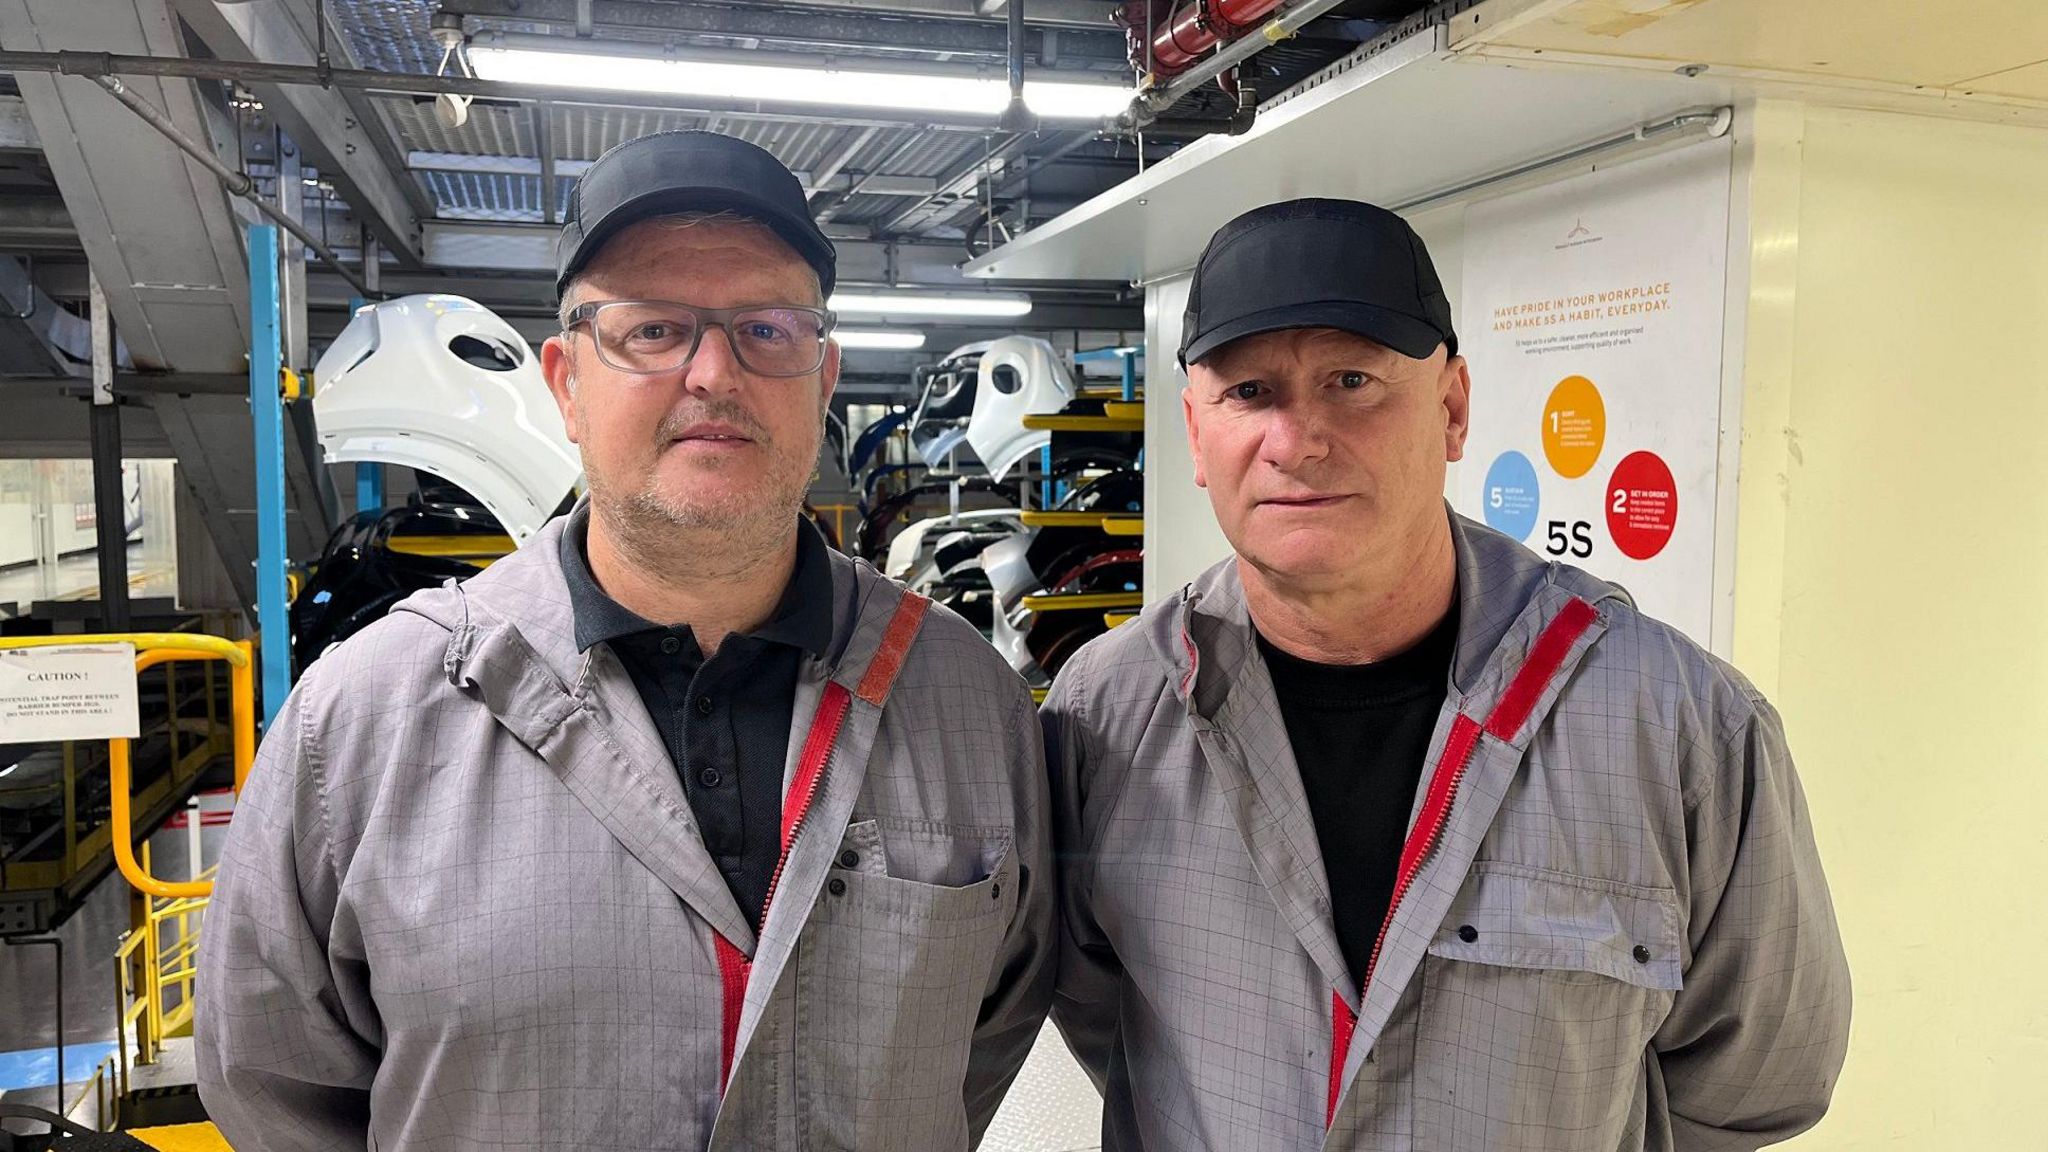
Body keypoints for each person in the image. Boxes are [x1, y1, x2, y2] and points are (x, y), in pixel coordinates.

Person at [197, 131, 1053, 1151]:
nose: (711, 373)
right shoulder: (365, 722)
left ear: (822, 377)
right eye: (651, 330)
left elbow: (984, 1034)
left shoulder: (966, 702)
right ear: (564, 382)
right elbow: (273, 1087)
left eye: (766, 330)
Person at [1041, 198, 1851, 1151]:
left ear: (1453, 407)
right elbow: (1108, 1018)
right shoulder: (1107, 716)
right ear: (1195, 432)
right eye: (1250, 393)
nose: (1297, 442)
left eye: (1352, 381)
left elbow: (1754, 1081)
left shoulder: (1680, 729)